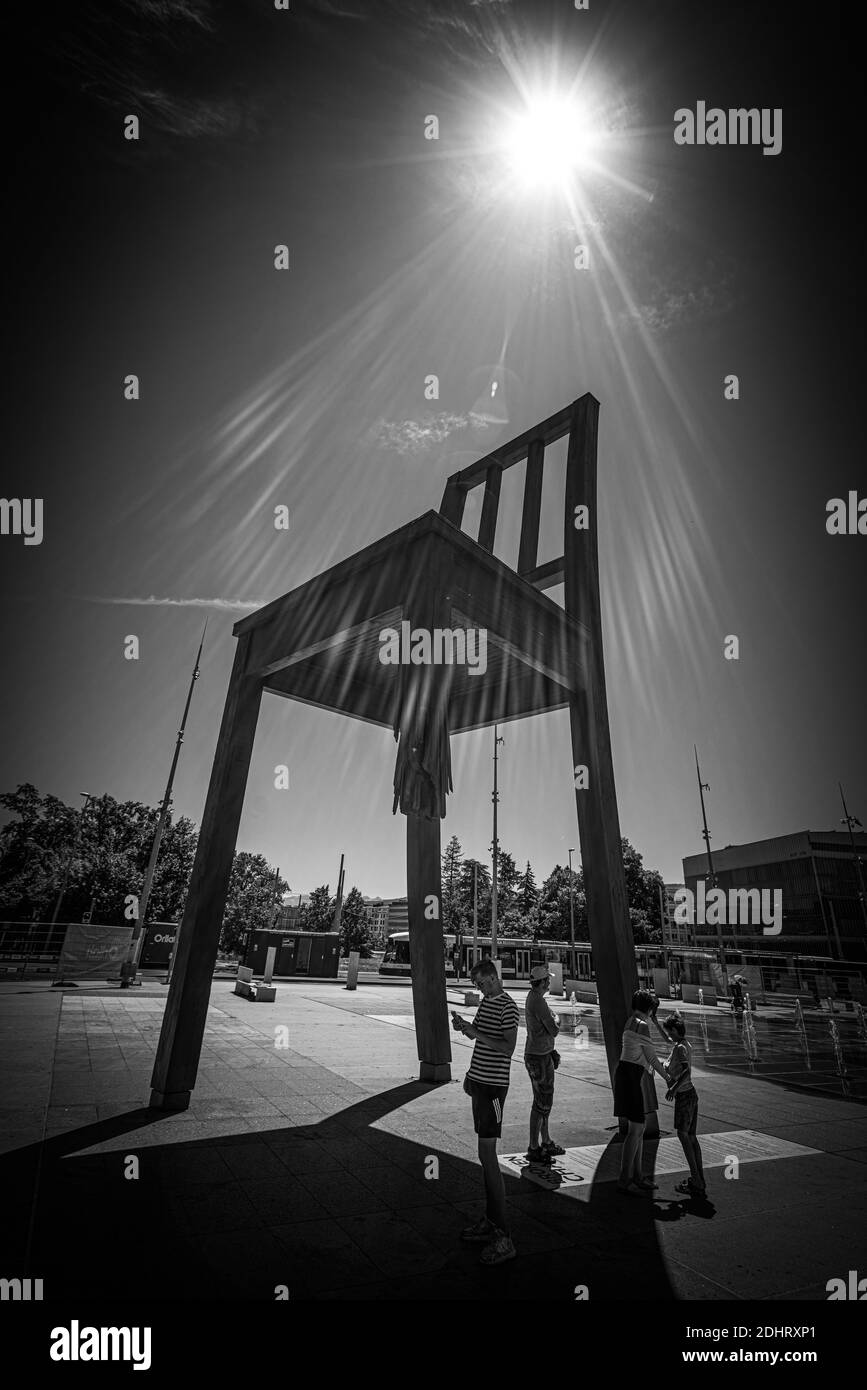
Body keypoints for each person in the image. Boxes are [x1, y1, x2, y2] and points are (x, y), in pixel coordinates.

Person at [452, 959, 519, 1265]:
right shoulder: (488, 1003)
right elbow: (479, 1036)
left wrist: (477, 1035)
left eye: (480, 984)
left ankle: (504, 1236)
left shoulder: (508, 1007)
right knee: (483, 1155)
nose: (477, 989)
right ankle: (491, 1222)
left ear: (492, 978)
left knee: (488, 1156)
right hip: (479, 1082)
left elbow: (507, 1048)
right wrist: (466, 1029)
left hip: (493, 1089)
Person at [613, 989, 670, 1196]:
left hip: (625, 1074)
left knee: (637, 1127)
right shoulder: (643, 1025)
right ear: (650, 1008)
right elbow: (653, 1058)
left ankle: (636, 1175)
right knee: (636, 1129)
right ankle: (624, 1178)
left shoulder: (631, 1021)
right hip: (632, 1076)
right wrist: (669, 1080)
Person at [662, 1011, 706, 1196]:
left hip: (684, 1095)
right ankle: (699, 1179)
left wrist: (673, 1088)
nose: (669, 1035)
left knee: (684, 1136)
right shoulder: (684, 1044)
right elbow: (668, 1039)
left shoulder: (680, 1048)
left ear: (674, 1030)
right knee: (691, 1137)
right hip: (691, 1095)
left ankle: (696, 1179)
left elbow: (686, 1072)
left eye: (669, 1032)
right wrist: (656, 1022)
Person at [523, 964, 564, 1164]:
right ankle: (534, 1146)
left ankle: (545, 1141)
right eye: (547, 980)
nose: (550, 982)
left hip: (541, 1054)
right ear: (542, 982)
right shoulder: (538, 1001)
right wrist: (557, 1021)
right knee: (541, 1103)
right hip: (538, 1057)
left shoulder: (536, 998)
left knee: (544, 1101)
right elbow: (554, 1029)